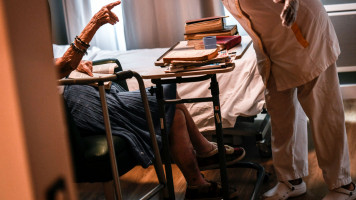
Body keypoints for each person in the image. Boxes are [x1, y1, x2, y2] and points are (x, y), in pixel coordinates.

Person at [55, 1, 244, 199]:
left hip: (82, 92)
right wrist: (94, 23)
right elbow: (62, 66)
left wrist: (77, 65)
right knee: (166, 96)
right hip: (77, 104)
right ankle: (204, 154)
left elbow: (59, 64)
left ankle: (198, 181)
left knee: (173, 109)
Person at [221, 0, 356, 199]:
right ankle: (291, 180)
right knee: (281, 113)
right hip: (270, 42)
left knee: (323, 112)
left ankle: (343, 185)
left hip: (302, 30)